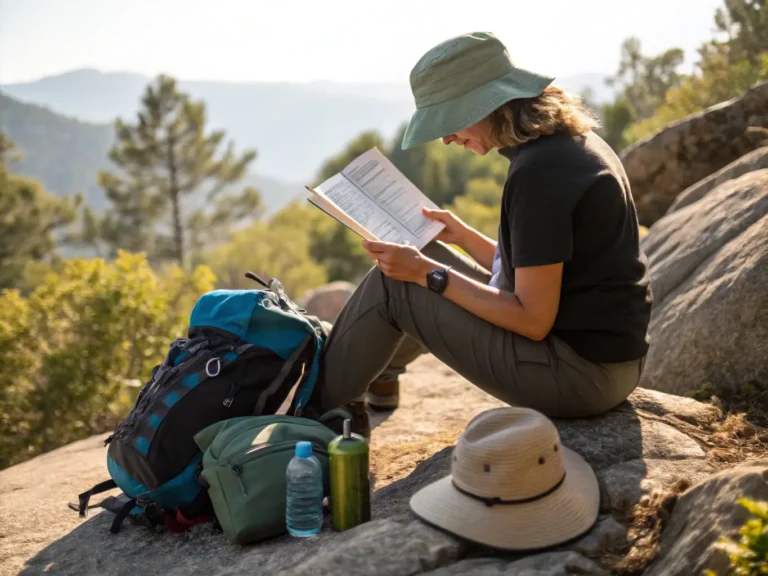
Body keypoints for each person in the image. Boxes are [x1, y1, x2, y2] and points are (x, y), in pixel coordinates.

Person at [305, 31, 653, 437]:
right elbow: (543, 273)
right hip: (607, 362)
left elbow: (533, 318)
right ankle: (378, 378)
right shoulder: (572, 143)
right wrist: (463, 235)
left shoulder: (539, 173)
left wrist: (426, 274)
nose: (447, 138)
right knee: (423, 251)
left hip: (580, 378)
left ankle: (310, 416)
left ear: (487, 103)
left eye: (449, 121)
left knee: (396, 283)